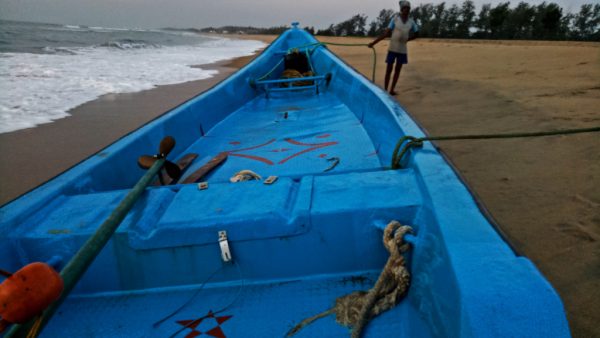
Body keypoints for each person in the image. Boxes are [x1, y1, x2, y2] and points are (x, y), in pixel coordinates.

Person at [368, 1, 419, 96]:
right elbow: (386, 33)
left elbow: (416, 33)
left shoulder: (411, 21)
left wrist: (407, 40)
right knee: (389, 70)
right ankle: (385, 90)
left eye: (408, 9)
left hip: (402, 50)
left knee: (397, 70)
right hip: (392, 48)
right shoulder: (395, 19)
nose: (407, 11)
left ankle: (391, 90)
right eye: (405, 9)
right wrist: (373, 43)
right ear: (401, 9)